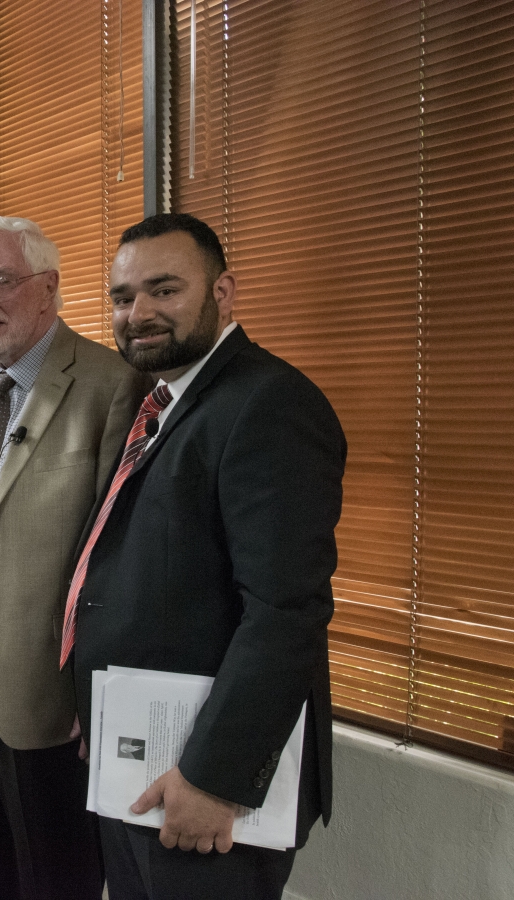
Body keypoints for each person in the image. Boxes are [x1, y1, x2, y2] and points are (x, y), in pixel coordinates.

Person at [64, 213, 345, 900]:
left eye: (165, 290)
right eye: (124, 297)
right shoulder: (161, 403)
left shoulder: (268, 403)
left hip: (201, 778)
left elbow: (285, 611)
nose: (140, 313)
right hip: (140, 752)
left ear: (223, 293)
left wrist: (215, 777)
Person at [0, 216, 148, 900]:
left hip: (49, 673)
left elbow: (115, 555)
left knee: (53, 870)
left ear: (48, 288)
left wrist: (93, 683)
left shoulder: (110, 385)